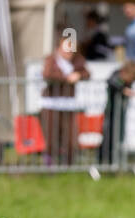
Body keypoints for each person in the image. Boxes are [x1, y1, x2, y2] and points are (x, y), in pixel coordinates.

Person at [41, 30, 91, 166]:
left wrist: (79, 75)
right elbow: (47, 74)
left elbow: (86, 72)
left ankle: (68, 164)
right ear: (59, 48)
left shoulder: (76, 60)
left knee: (70, 137)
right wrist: (66, 78)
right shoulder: (51, 59)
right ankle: (50, 164)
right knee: (51, 136)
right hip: (51, 103)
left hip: (68, 104)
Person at [101, 60, 135, 165]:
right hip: (111, 112)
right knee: (108, 138)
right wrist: (123, 89)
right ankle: (104, 162)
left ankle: (115, 162)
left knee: (119, 137)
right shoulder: (116, 75)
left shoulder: (132, 75)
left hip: (121, 113)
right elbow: (111, 81)